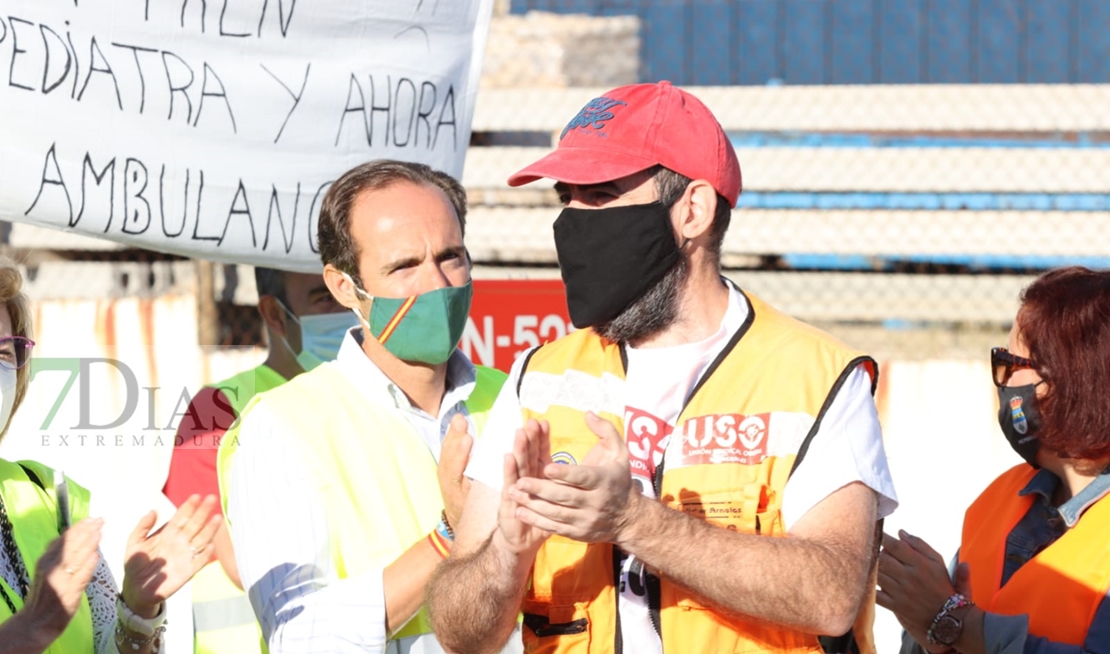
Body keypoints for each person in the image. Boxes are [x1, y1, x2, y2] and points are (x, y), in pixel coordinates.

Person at [428, 80, 898, 654]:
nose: (574, 221)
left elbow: (832, 595)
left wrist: (633, 521)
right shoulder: (539, 376)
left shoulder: (817, 377)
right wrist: (507, 550)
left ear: (692, 210)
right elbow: (458, 634)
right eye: (565, 197)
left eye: (599, 194)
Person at [216, 160, 511, 653]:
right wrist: (447, 536)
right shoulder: (281, 428)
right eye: (404, 266)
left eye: (450, 256)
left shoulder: (517, 398)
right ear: (343, 287)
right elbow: (300, 638)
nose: (436, 285)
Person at [879, 266, 1110, 654]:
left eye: (1010, 363)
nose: (1001, 382)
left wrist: (955, 623)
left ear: (1069, 379)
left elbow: (949, 621)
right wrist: (929, 628)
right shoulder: (1004, 496)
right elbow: (936, 632)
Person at [0, 257, 222, 653]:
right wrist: (32, 627)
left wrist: (138, 608)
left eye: (3, 353)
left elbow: (108, 644)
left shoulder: (51, 497)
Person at [162, 267, 353, 654]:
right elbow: (239, 561)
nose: (342, 309)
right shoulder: (218, 409)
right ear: (274, 314)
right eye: (322, 297)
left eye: (347, 292)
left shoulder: (369, 396)